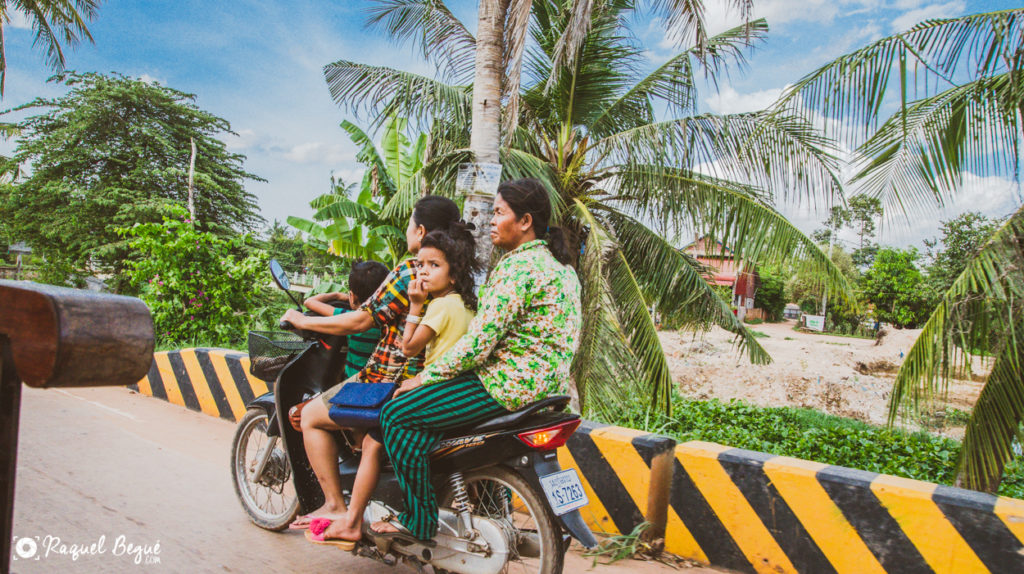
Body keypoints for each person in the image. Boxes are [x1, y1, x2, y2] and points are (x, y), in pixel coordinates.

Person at [372, 178, 582, 542]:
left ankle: (417, 520)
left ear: (525, 221)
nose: (491, 220)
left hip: (505, 386)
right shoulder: (563, 270)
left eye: (499, 213)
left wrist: (425, 377)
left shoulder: (516, 268)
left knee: (397, 415)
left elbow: (477, 345)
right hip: (547, 390)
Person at [279, 196, 462, 533]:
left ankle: (335, 504)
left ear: (420, 231)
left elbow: (361, 321)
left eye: (409, 223)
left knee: (309, 416)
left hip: (385, 379)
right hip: (438, 383)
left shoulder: (411, 270)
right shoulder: (462, 274)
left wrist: (303, 321)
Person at [309, 224, 480, 546]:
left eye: (434, 265)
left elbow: (408, 347)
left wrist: (415, 304)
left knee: (383, 432)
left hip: (431, 386)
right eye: (421, 265)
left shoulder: (440, 306)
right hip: (455, 386)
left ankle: (376, 517)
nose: (423, 272)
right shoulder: (469, 305)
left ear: (454, 274)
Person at [303, 260, 390, 380]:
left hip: (353, 383)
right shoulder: (392, 319)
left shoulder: (351, 318)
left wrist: (337, 295)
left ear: (352, 297)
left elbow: (309, 302)